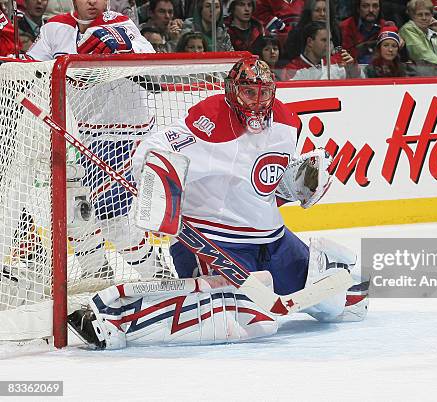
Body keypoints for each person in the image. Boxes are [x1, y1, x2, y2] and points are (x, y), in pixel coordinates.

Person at [67, 56, 369, 349]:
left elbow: (262, 182)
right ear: (232, 91)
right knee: (247, 319)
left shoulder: (286, 122)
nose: (257, 102)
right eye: (249, 92)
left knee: (349, 298)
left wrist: (294, 186)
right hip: (210, 241)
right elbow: (154, 147)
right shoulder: (210, 121)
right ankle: (113, 318)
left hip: (274, 242)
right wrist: (158, 182)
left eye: (264, 93)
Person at [27, 0, 170, 281]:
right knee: (74, 212)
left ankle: (156, 274)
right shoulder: (55, 28)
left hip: (126, 132)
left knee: (111, 217)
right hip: (83, 134)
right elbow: (30, 69)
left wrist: (124, 50)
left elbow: (154, 73)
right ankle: (96, 271)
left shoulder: (120, 24)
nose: (93, 1)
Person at [281, 21, 362, 80]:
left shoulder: (336, 62)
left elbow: (359, 84)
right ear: (310, 42)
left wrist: (352, 67)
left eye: (330, 40)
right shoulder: (291, 70)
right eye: (324, 40)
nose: (328, 44)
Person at [399, 0, 437, 74]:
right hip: (416, 76)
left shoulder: (432, 32)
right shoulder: (408, 29)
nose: (424, 18)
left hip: (436, 74)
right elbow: (423, 56)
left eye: (427, 14)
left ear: (432, 15)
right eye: (420, 14)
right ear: (412, 16)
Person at [283, 0, 342, 65]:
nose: (322, 14)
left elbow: (338, 53)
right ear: (309, 13)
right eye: (317, 10)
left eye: (325, 10)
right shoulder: (297, 33)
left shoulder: (335, 30)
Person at [340, 0, 396, 64]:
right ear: (358, 9)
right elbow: (344, 56)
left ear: (379, 9)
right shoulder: (346, 26)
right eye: (365, 6)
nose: (371, 10)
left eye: (375, 6)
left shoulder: (386, 27)